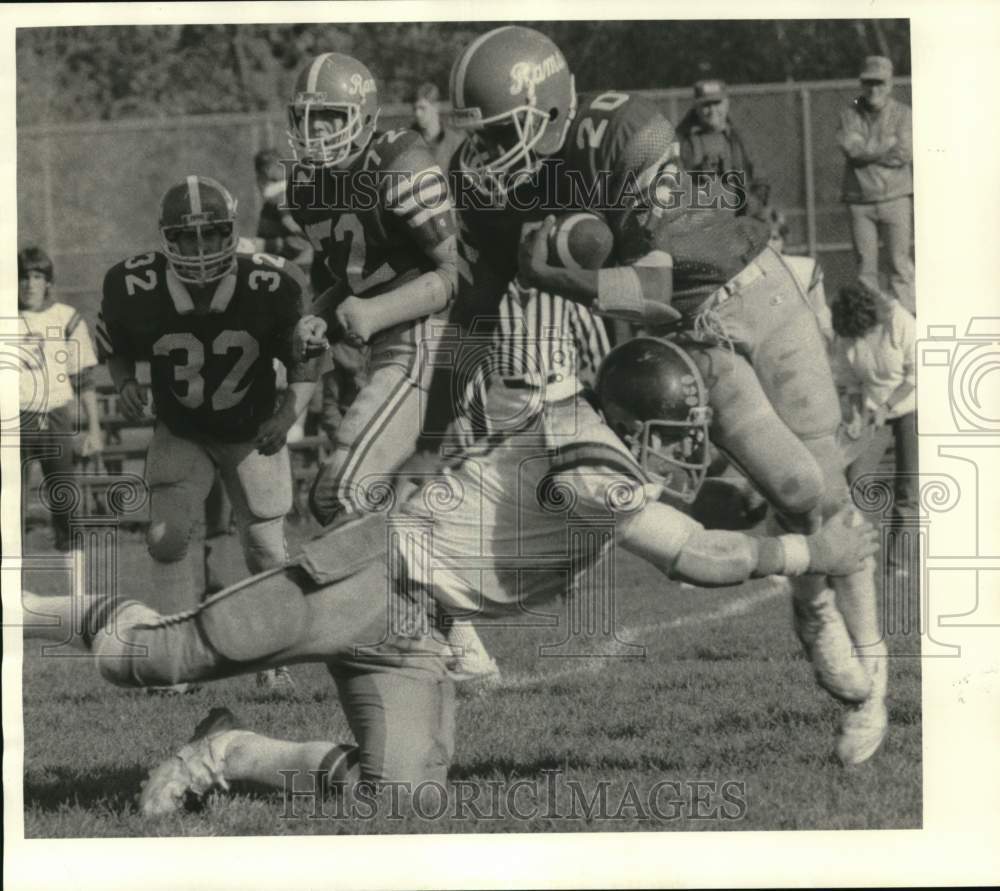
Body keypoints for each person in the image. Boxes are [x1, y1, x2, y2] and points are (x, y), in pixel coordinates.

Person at [21, 336, 880, 818]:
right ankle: (27, 608)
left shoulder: (608, 443)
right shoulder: (585, 449)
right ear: (624, 420)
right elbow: (698, 557)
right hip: (370, 572)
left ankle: (228, 750)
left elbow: (709, 521)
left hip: (418, 628)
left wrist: (794, 514)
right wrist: (814, 553)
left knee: (399, 800)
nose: (683, 451)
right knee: (146, 660)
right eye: (671, 432)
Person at [447, 25, 888, 764]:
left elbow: (650, 285)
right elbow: (474, 309)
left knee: (827, 491)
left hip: (752, 289)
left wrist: (564, 277)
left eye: (501, 135)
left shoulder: (624, 130)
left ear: (549, 111)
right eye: (481, 139)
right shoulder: (494, 186)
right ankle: (813, 601)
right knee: (793, 486)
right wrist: (438, 422)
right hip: (697, 336)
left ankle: (865, 667)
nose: (487, 156)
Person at [95, 175, 318, 629]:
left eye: (211, 233)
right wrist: (125, 384)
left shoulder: (271, 281)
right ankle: (175, 654)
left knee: (267, 550)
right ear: (166, 239)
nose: (199, 249)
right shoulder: (133, 285)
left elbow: (306, 365)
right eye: (186, 237)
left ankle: (273, 660)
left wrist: (286, 415)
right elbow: (115, 348)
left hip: (251, 428)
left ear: (230, 230)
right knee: (165, 537)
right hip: (183, 428)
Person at [18, 246, 104, 552]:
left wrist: (94, 428)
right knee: (10, 512)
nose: (29, 284)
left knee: (65, 506)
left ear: (48, 282)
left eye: (37, 276)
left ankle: (77, 588)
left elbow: (84, 379)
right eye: (23, 277)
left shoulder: (66, 318)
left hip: (54, 417)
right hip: (13, 420)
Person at [830, 281, 917, 572]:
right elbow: (851, 383)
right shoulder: (847, 335)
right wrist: (854, 416)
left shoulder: (900, 321)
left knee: (907, 490)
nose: (860, 338)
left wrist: (887, 407)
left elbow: (916, 374)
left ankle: (897, 562)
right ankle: (858, 557)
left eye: (864, 331)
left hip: (911, 408)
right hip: (873, 412)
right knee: (856, 483)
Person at [836, 55, 914, 315]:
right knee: (865, 269)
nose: (874, 89)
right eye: (869, 83)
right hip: (860, 202)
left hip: (896, 198)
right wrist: (886, 145)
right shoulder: (850, 114)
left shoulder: (903, 114)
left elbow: (904, 153)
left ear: (890, 84)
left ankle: (909, 326)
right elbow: (852, 149)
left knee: (899, 266)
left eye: (880, 83)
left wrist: (868, 151)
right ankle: (870, 326)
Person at [675, 79, 769, 218]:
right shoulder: (681, 140)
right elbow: (672, 184)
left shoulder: (739, 138)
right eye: (706, 105)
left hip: (737, 223)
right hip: (696, 224)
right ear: (696, 107)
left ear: (726, 103)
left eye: (717, 103)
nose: (713, 111)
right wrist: (697, 175)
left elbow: (759, 179)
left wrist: (752, 209)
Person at [410, 82, 464, 172]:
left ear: (436, 106)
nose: (417, 114)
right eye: (414, 109)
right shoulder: (409, 142)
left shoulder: (455, 143)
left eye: (422, 108)